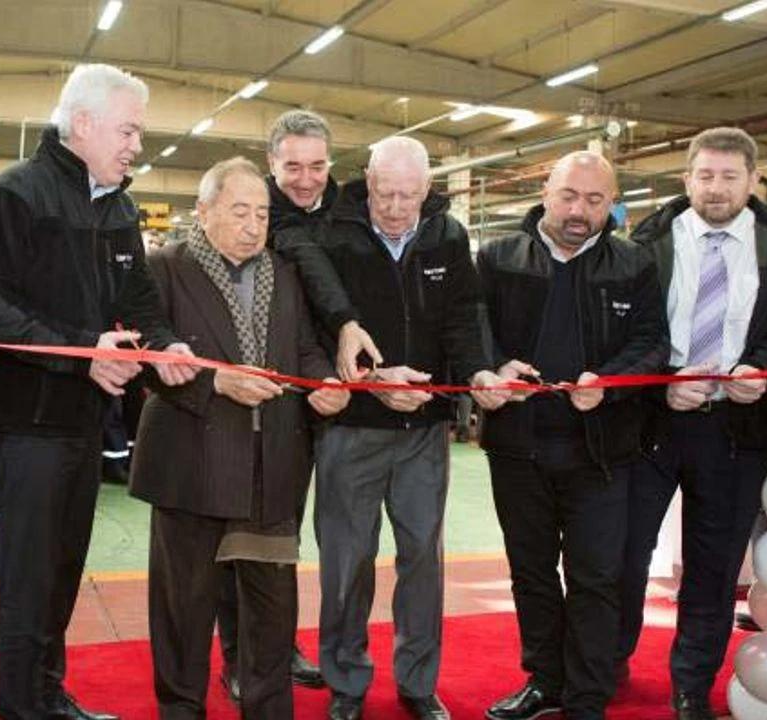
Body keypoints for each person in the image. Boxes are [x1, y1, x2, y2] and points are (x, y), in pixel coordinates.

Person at [0, 63, 198, 720]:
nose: (136, 145)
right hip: (25, 425)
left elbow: (138, 299)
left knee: (62, 574)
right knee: (28, 584)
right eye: (129, 130)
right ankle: (20, 707)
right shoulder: (10, 197)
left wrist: (164, 344)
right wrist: (78, 353)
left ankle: (45, 693)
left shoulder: (117, 207)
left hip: (82, 423)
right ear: (82, 124)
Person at [132, 156, 349, 720]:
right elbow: (148, 358)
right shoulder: (163, 268)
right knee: (184, 610)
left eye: (262, 213)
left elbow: (303, 349)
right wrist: (214, 382)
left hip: (270, 467)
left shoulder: (284, 273)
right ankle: (180, 709)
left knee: (272, 611)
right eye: (239, 211)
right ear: (203, 212)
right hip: (190, 466)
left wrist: (324, 384)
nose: (254, 225)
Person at [618, 128, 767, 720]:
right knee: (624, 554)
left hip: (739, 429)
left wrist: (766, 367)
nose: (716, 188)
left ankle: (690, 685)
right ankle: (606, 665)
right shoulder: (648, 239)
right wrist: (665, 378)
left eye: (730, 177)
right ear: (686, 178)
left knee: (713, 564)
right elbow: (633, 330)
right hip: (654, 423)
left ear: (752, 181)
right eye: (705, 176)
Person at [477, 151, 668, 720]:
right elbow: (471, 329)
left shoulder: (634, 262)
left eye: (595, 200)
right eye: (568, 196)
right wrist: (491, 366)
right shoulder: (498, 257)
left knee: (596, 578)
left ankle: (587, 697)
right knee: (530, 572)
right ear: (545, 189)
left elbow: (653, 341)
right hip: (518, 447)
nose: (579, 210)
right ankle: (545, 681)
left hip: (602, 453)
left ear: (613, 202)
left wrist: (609, 383)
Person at [313, 136, 499, 720]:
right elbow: (320, 326)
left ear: (427, 187)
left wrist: (476, 373)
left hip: (424, 432)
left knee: (422, 558)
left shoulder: (448, 234)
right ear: (366, 180)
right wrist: (368, 381)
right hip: (352, 428)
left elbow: (463, 318)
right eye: (384, 192)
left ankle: (418, 682)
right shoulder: (332, 232)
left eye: (408, 195)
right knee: (347, 560)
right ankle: (346, 680)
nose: (395, 206)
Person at [217, 109, 383, 702]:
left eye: (317, 166)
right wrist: (344, 320)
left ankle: (277, 646)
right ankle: (239, 656)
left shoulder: (349, 213)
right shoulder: (262, 214)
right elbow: (304, 258)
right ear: (271, 164)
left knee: (283, 537)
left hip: (327, 398)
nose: (306, 179)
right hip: (256, 397)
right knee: (240, 535)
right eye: (292, 166)